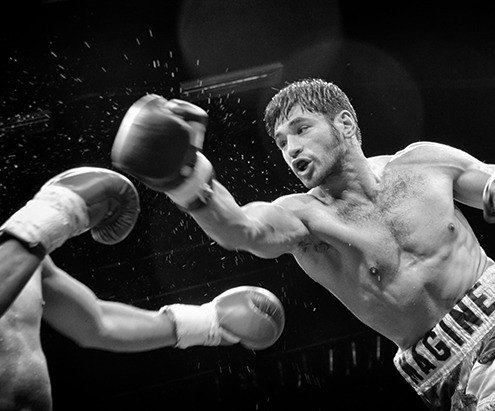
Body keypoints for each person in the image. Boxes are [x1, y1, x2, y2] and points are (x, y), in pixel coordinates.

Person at [110, 79, 495, 410]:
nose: (292, 150)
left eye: (302, 130)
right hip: (446, 376)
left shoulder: (423, 163)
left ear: (346, 125)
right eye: (283, 143)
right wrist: (184, 179)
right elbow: (243, 229)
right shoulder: (306, 218)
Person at [0, 166, 285, 411]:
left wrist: (206, 322)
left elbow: (96, 323)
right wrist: (60, 210)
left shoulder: (24, 257)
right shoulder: (21, 246)